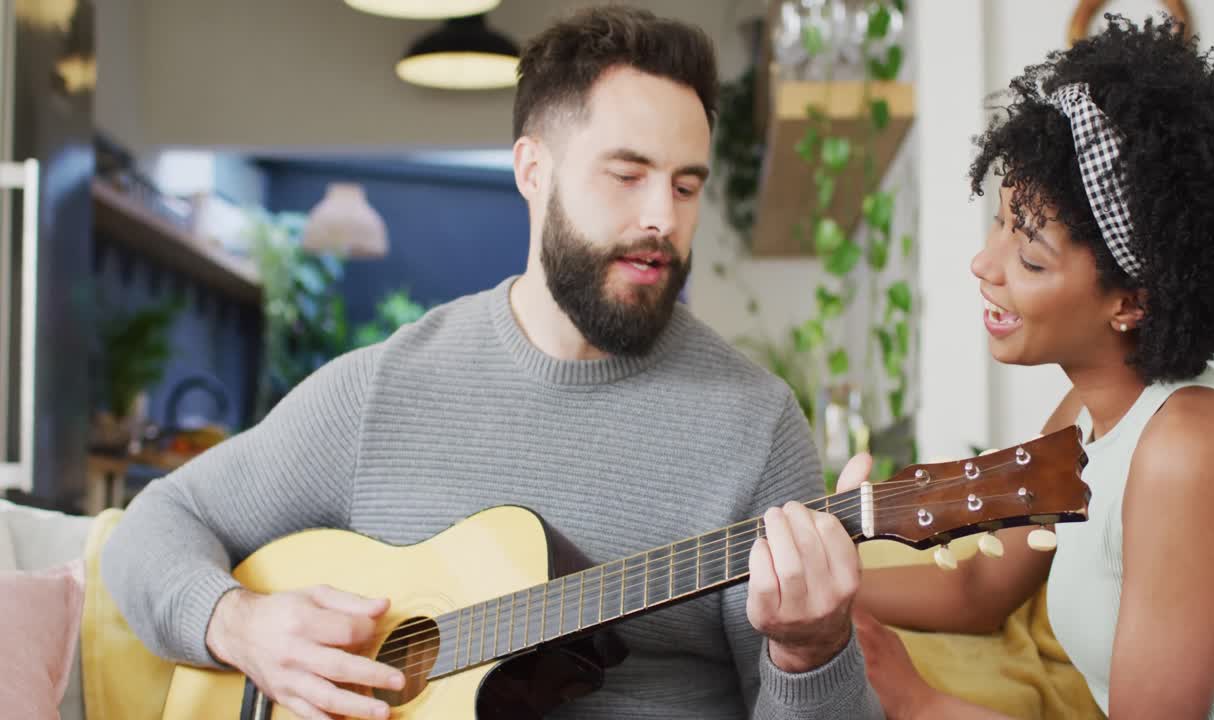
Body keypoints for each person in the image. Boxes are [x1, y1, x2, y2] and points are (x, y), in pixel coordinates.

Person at [101, 6, 884, 720]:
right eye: (627, 175)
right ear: (532, 171)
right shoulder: (384, 389)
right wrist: (241, 626)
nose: (663, 218)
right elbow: (158, 524)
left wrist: (810, 651)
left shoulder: (754, 422)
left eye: (686, 186)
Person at [851, 14, 1214, 720]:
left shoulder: (1187, 453)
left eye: (1030, 257)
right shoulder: (1086, 415)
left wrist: (918, 702)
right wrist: (834, 582)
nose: (984, 265)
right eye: (1000, 220)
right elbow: (980, 592)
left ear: (1130, 304)